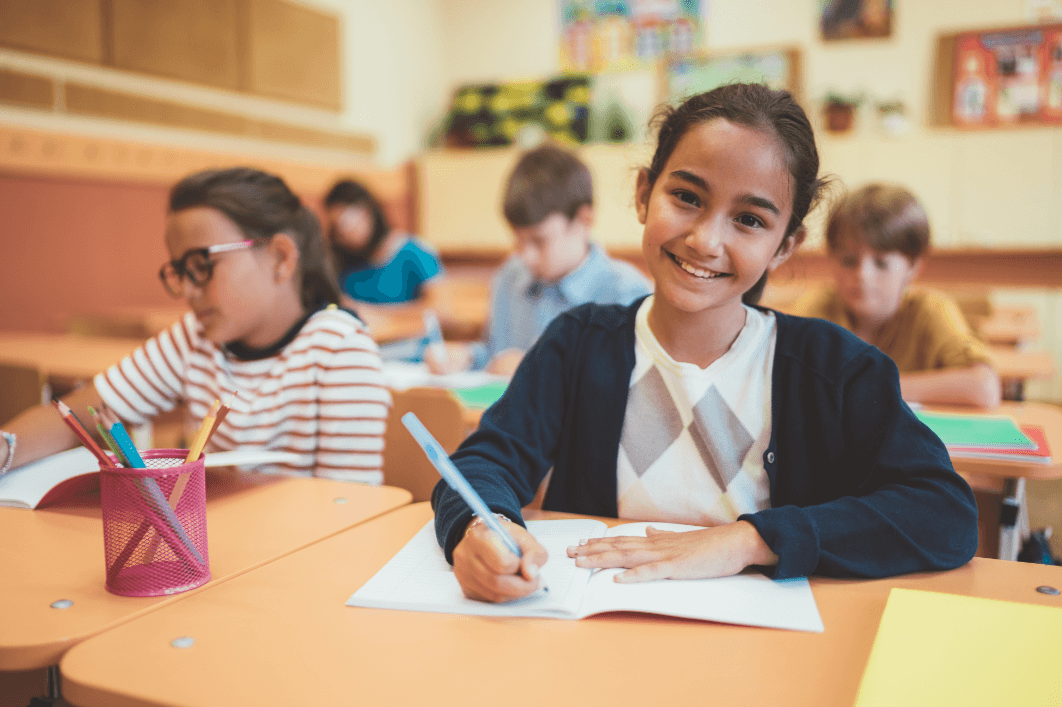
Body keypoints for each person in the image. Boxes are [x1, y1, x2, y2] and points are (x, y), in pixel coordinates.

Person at [431, 84, 978, 603]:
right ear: (644, 194)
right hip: (598, 634)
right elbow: (484, 461)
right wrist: (482, 526)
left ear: (785, 246)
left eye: (749, 219)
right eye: (687, 197)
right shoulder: (578, 344)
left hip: (765, 649)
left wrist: (750, 540)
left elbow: (943, 512)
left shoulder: (833, 368)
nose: (706, 240)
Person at [0, 168, 389, 485]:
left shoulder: (340, 350)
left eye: (203, 266)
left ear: (281, 258)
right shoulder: (194, 339)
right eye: (180, 271)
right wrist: (3, 444)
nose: (189, 291)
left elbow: (348, 508)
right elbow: (79, 415)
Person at [425, 143, 652, 377]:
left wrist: (536, 367)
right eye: (518, 241)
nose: (526, 256)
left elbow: (623, 380)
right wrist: (467, 357)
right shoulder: (509, 277)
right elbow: (496, 354)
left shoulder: (625, 293)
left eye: (539, 241)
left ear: (584, 220)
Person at [793, 184, 1001, 408]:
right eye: (849, 261)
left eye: (881, 263)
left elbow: (985, 387)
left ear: (913, 267)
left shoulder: (930, 309)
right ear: (831, 260)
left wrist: (867, 386)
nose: (863, 275)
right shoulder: (819, 309)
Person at [324, 179, 443, 305]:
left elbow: (441, 307)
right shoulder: (342, 260)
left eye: (347, 223)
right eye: (337, 229)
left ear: (367, 211)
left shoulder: (414, 251)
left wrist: (372, 313)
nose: (344, 235)